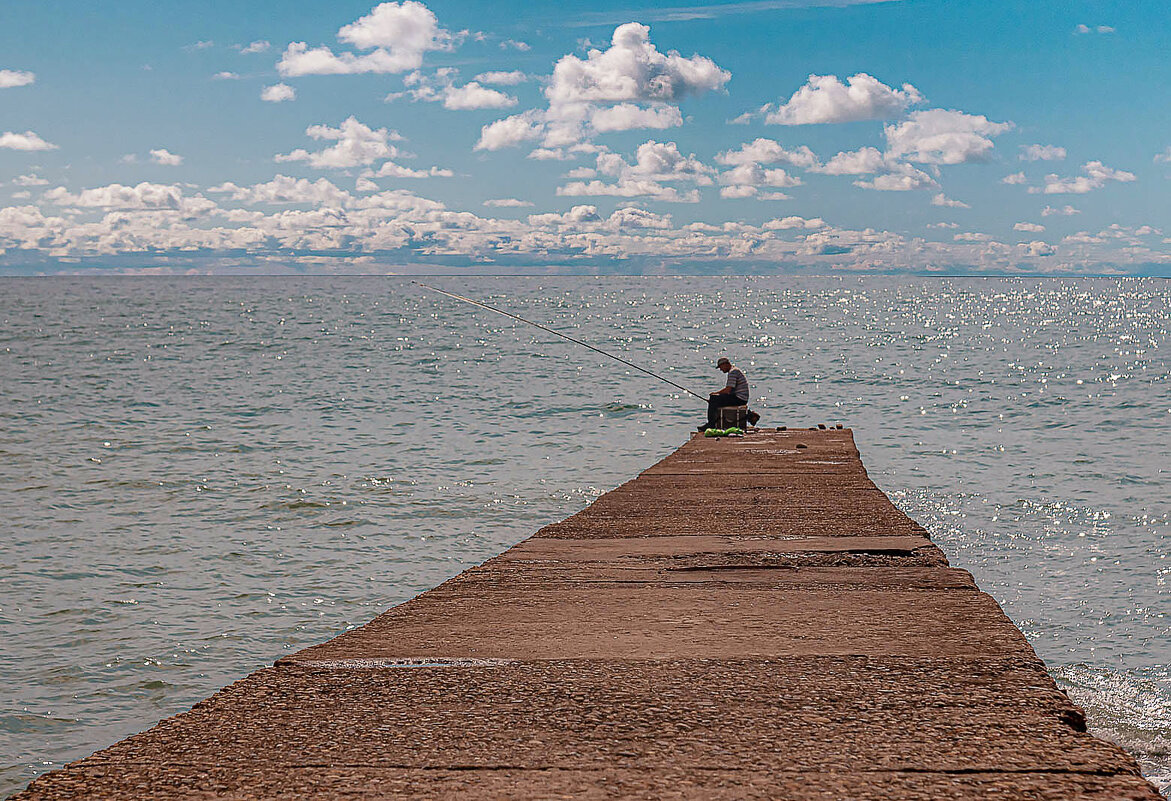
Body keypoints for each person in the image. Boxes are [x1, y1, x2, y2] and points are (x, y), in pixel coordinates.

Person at [699, 357, 760, 431]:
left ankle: (711, 424)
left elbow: (728, 390)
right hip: (740, 398)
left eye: (721, 367)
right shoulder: (734, 370)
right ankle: (750, 415)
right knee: (715, 399)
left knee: (713, 399)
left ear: (725, 364)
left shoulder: (733, 372)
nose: (721, 369)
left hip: (739, 398)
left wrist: (715, 394)